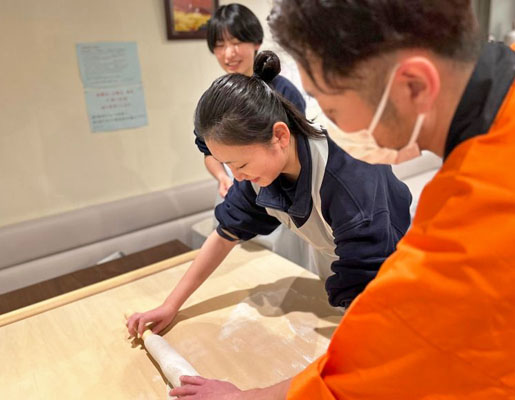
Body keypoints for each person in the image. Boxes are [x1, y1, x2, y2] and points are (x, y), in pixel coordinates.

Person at [167, 0, 515, 398]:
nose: (330, 126)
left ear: (413, 85)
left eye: (331, 108)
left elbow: (379, 359)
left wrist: (245, 397)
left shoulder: (476, 209)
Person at [127, 51, 412, 383]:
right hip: (345, 266)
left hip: (398, 277)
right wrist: (170, 305)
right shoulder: (261, 171)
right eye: (228, 165)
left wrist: (246, 396)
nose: (238, 177)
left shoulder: (349, 175)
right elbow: (226, 232)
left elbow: (366, 310)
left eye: (241, 165)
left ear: (279, 136)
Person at [197, 3, 305, 198]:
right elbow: (208, 151)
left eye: (236, 42)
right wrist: (222, 177)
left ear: (256, 42)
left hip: (277, 197)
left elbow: (299, 152)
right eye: (220, 45)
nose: (229, 53)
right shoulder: (215, 99)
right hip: (233, 195)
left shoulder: (283, 91)